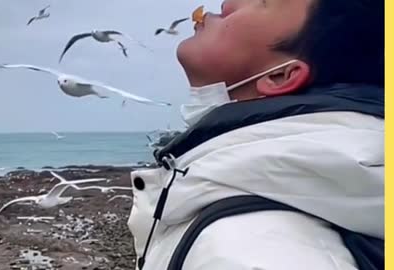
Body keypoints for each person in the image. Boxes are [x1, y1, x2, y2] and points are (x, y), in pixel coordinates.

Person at [127, 0, 384, 269]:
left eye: (263, 2)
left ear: (281, 76)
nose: (227, 4)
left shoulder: (248, 251)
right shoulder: (244, 197)